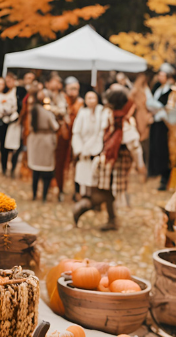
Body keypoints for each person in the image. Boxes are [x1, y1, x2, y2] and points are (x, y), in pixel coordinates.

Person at [74, 87, 145, 231]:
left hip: (108, 157)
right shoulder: (124, 120)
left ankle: (111, 220)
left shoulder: (107, 115)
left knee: (107, 191)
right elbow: (134, 144)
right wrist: (140, 164)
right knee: (107, 191)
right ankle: (84, 207)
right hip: (118, 160)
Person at [27, 84, 59, 201]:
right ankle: (44, 196)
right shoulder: (47, 112)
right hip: (45, 141)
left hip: (35, 140)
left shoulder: (33, 110)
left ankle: (35, 194)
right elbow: (55, 126)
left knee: (36, 171)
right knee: (46, 172)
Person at [147, 63, 176, 190]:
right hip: (156, 123)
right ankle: (157, 173)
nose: (160, 77)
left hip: (167, 124)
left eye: (162, 75)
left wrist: (160, 111)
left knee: (165, 150)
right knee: (156, 148)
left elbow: (170, 108)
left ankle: (165, 178)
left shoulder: (172, 90)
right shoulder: (158, 88)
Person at [54, 76, 83, 201]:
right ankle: (60, 190)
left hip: (76, 138)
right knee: (60, 163)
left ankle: (76, 192)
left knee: (76, 164)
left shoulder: (81, 103)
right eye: (71, 88)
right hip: (62, 137)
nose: (73, 91)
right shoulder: (61, 100)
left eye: (75, 89)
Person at [71, 91, 104, 196]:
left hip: (97, 149)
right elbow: (76, 132)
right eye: (88, 98)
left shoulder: (102, 112)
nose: (91, 100)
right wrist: (80, 149)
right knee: (83, 176)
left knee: (96, 176)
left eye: (93, 98)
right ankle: (83, 196)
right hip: (84, 151)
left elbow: (102, 131)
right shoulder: (82, 113)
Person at [6, 72, 28, 177]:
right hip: (9, 122)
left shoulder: (20, 91)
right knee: (10, 146)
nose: (8, 83)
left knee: (17, 146)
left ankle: (13, 169)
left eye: (10, 80)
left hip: (18, 122)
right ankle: (9, 167)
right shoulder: (5, 92)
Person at [130, 73, 153, 166]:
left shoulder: (146, 89)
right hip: (140, 115)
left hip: (145, 114)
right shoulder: (136, 91)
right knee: (141, 137)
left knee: (146, 138)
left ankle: (145, 163)